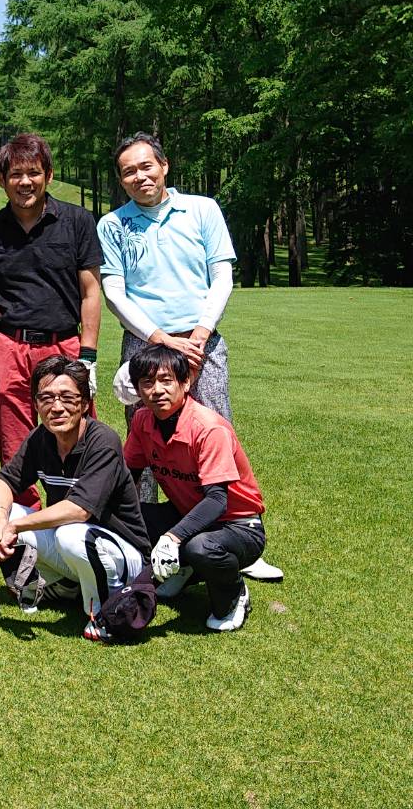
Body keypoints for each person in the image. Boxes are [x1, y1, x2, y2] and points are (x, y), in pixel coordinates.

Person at [97, 131, 281, 582]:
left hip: (202, 341)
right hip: (145, 344)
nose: (139, 176)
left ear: (164, 166)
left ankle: (235, 539)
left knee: (216, 435)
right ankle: (137, 543)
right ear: (120, 180)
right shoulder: (112, 225)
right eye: (128, 172)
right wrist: (159, 337)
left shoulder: (202, 210)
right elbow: (114, 293)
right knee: (145, 441)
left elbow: (221, 277)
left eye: (146, 166)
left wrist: (197, 335)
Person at [0, 355, 150, 642]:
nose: (56, 407)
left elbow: (79, 510)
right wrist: (1, 520)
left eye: (67, 398)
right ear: (36, 404)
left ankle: (104, 611)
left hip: (126, 556)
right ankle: (62, 586)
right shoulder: (41, 438)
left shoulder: (103, 440)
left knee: (70, 535)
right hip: (80, 543)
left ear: (85, 403)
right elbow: (3, 481)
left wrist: (16, 528)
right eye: (46, 398)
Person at [0, 133, 103, 491]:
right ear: (2, 179)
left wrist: (87, 356)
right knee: (14, 442)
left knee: (75, 431)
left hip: (64, 345)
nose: (24, 182)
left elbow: (91, 291)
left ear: (49, 174)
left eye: (33, 172)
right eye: (15, 174)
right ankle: (23, 519)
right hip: (9, 346)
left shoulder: (77, 221)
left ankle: (76, 511)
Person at [124, 343, 267, 633]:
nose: (157, 390)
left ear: (186, 382)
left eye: (166, 380)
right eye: (147, 383)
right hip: (185, 513)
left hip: (239, 525)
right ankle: (184, 569)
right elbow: (128, 477)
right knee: (123, 516)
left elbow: (217, 501)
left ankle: (233, 594)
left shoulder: (208, 428)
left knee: (200, 546)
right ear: (137, 391)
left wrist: (172, 538)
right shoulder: (142, 421)